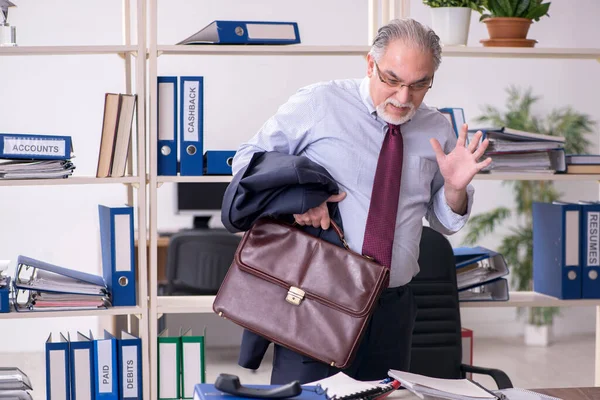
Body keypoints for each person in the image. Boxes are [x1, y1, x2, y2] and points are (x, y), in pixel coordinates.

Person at [228, 18, 491, 384]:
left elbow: (444, 222)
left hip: (392, 307)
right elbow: (248, 160)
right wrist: (299, 200)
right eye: (392, 80)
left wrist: (455, 189)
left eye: (419, 85)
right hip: (316, 300)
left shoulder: (436, 129)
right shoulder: (321, 103)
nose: (403, 98)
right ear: (370, 64)